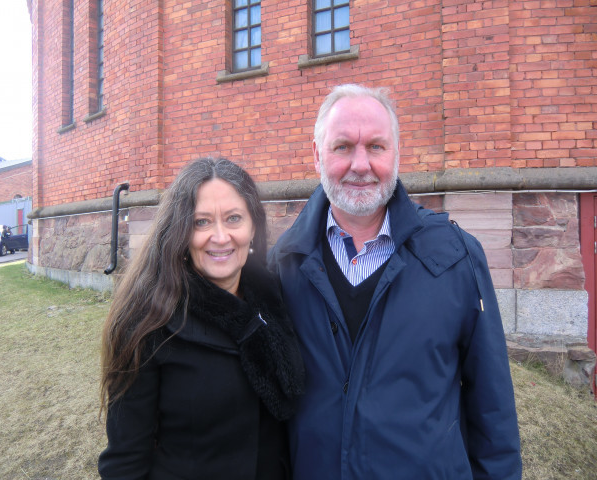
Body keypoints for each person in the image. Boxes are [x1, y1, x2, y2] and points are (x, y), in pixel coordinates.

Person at [268, 84, 522, 479]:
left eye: (376, 147)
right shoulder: (285, 264)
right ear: (317, 154)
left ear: (396, 154)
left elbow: (493, 408)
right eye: (342, 147)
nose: (360, 164)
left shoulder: (456, 256)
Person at [98, 157, 305, 480]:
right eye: (201, 222)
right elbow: (125, 461)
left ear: (253, 227)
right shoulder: (148, 323)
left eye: (234, 218)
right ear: (180, 232)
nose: (220, 237)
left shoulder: (274, 298)